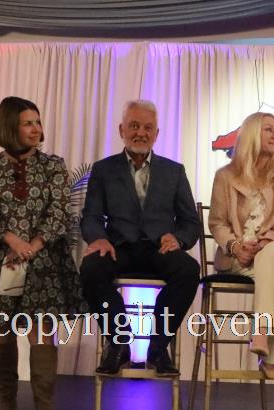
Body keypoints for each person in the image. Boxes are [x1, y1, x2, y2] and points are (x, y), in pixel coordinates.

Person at [0, 97, 83, 410]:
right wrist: (11, 240)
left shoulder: (53, 166)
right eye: (27, 123)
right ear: (9, 127)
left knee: (42, 332)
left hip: (43, 263)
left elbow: (60, 211)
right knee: (2, 330)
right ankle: (7, 407)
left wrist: (35, 244)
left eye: (37, 122)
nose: (36, 129)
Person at [79, 100, 200, 377]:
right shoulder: (104, 169)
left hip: (160, 249)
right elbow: (91, 215)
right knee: (91, 269)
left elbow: (190, 222)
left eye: (148, 128)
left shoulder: (174, 171)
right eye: (134, 126)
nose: (141, 133)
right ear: (122, 130)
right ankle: (119, 341)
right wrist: (98, 238)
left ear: (157, 134)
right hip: (118, 247)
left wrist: (178, 239)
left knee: (188, 270)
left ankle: (157, 346)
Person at [207, 112, 274, 379]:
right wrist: (236, 247)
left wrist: (261, 245)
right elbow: (217, 223)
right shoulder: (225, 176)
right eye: (268, 129)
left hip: (265, 254)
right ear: (253, 134)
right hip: (235, 257)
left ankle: (261, 332)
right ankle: (273, 357)